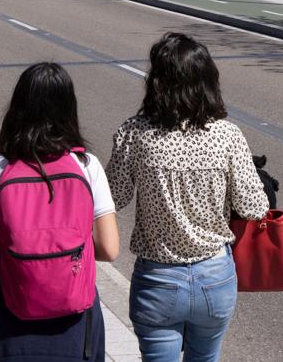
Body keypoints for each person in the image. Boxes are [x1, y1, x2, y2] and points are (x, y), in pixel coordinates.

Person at [108, 33, 268, 362]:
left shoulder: (135, 133)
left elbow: (113, 197)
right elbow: (254, 207)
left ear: (157, 82)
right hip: (214, 275)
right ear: (207, 81)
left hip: (157, 278)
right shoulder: (227, 135)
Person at [0, 62, 120, 361]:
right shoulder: (87, 167)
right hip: (74, 327)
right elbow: (110, 250)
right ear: (68, 109)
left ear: (18, 108)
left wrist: (5, 237)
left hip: (12, 322)